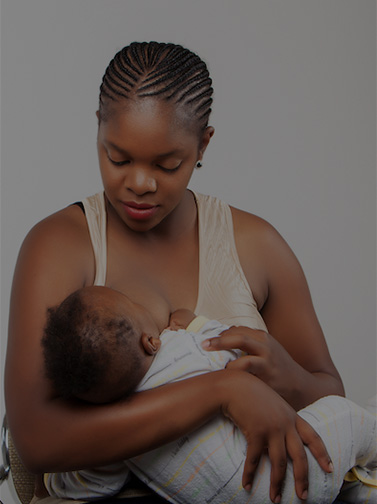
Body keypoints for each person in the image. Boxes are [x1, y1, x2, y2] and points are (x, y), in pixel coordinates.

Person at [4, 41, 357, 504]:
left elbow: (331, 395)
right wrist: (221, 391)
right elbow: (38, 439)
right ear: (98, 129)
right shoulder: (60, 245)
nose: (140, 183)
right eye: (118, 158)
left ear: (203, 144)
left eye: (167, 164)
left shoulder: (257, 246)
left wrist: (286, 375)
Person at [41, 286, 376, 504]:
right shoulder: (181, 347)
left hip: (248, 497)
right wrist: (195, 324)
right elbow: (229, 349)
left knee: (351, 483)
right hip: (296, 470)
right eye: (135, 302)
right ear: (150, 341)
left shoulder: (117, 441)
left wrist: (56, 482)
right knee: (347, 416)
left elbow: (93, 484)